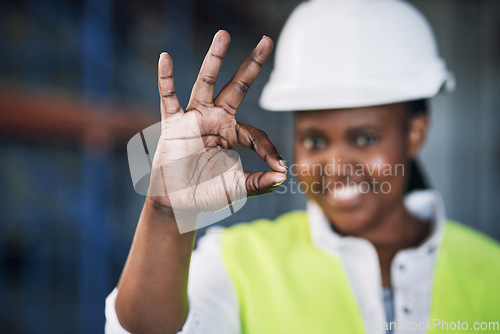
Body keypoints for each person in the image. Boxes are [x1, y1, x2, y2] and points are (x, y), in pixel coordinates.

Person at [105, 0, 500, 333]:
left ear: (415, 133)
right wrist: (165, 211)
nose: (336, 165)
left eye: (365, 138)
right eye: (315, 140)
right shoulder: (239, 261)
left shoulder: (491, 271)